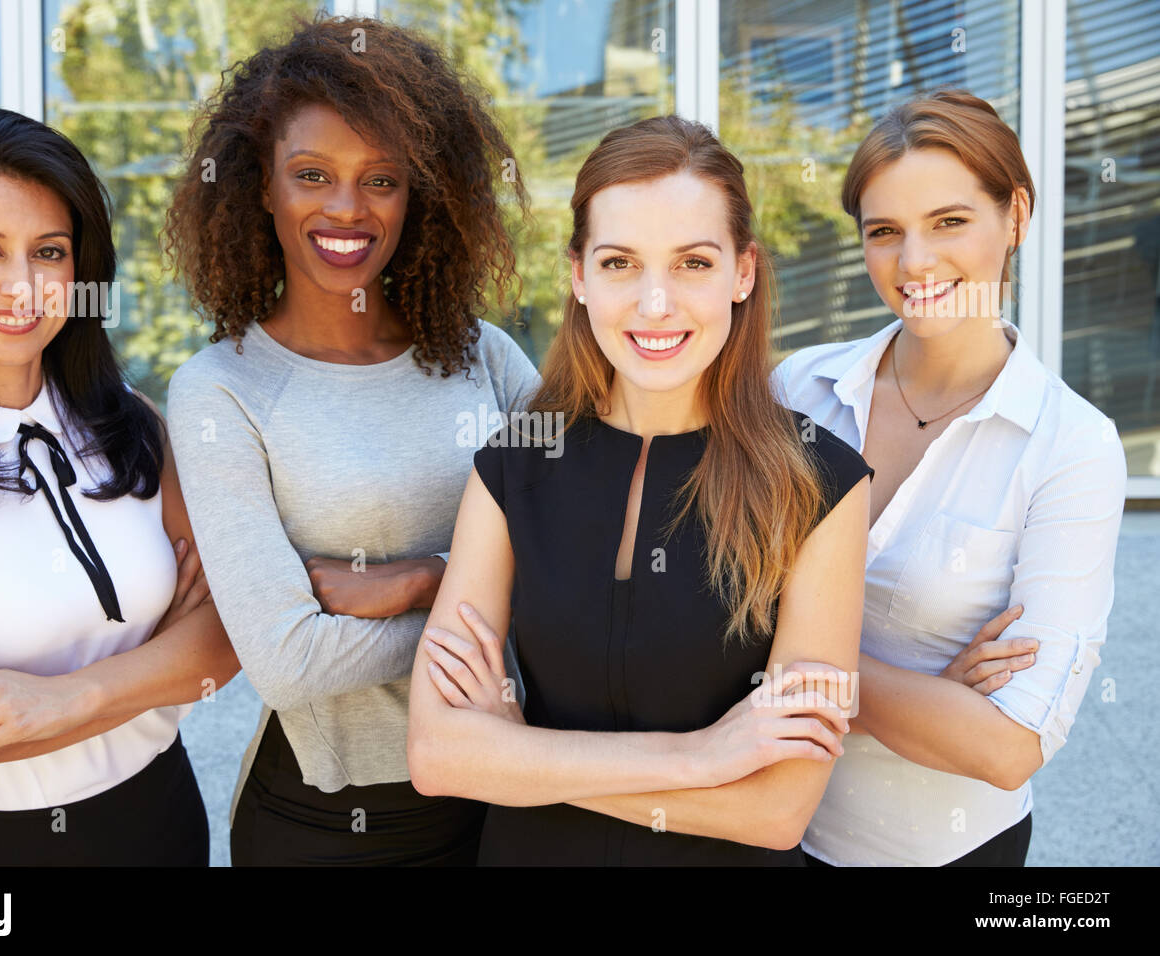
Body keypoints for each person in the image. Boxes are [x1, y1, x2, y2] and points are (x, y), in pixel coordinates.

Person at [405, 114, 872, 866]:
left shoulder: (821, 482)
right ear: (580, 275)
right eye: (621, 263)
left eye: (693, 263)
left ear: (742, 273)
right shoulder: (515, 463)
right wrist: (702, 757)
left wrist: (519, 755)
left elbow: (778, 810)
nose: (656, 304)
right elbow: (437, 754)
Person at [162, 15, 540, 866]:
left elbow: (587, 559)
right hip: (330, 821)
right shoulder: (221, 389)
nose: (345, 208)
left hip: (511, 788)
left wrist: (420, 582)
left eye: (381, 180)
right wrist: (494, 620)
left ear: (421, 193)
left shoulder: (485, 357)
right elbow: (289, 662)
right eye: (311, 175)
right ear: (262, 187)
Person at [0, 107, 239, 866]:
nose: (22, 285)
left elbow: (227, 638)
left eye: (50, 252)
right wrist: (157, 664)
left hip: (160, 819)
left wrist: (61, 698)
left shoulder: (135, 424)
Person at [774, 88, 1128, 866]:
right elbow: (699, 605)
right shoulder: (797, 390)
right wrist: (929, 693)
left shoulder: (1073, 448)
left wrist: (795, 667)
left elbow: (1009, 747)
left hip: (946, 852)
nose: (915, 262)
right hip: (767, 831)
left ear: (1017, 217)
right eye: (885, 232)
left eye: (949, 222)